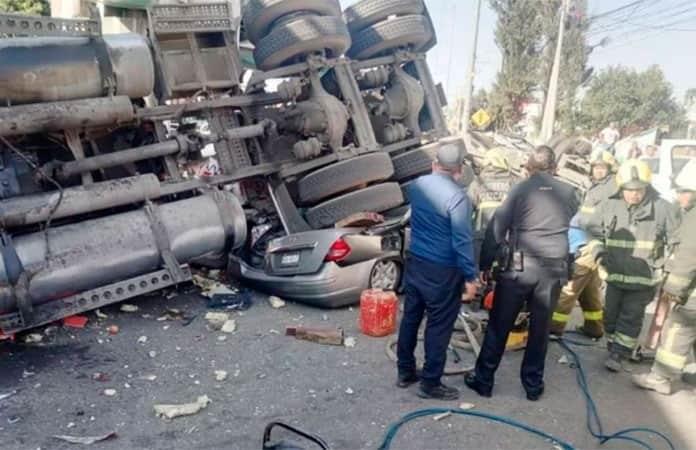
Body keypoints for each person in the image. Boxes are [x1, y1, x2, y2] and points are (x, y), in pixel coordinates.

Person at [465, 146, 579, 401]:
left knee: (499, 325)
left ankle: (483, 381)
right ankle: (533, 386)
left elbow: (496, 228)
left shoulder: (521, 189)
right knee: (540, 329)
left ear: (529, 167)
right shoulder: (570, 192)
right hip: (554, 268)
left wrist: (484, 265)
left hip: (519, 267)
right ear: (555, 167)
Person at [396, 144, 479, 400]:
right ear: (460, 169)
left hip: (416, 261)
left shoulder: (417, 186)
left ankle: (405, 371)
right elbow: (462, 241)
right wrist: (470, 277)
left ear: (435, 163)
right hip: (442, 270)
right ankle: (430, 383)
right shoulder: (458, 198)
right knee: (439, 326)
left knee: (411, 316)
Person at [585, 160, 680, 372]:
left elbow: (676, 241)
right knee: (609, 316)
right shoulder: (609, 205)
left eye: (639, 190)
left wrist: (668, 268)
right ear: (621, 188)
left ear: (647, 186)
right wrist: (599, 251)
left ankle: (619, 353)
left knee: (631, 317)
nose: (634, 194)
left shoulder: (663, 208)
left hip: (643, 279)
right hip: (614, 274)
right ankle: (612, 344)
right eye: (629, 190)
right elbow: (592, 230)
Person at [633, 160, 696, 395]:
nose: (679, 197)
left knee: (678, 330)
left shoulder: (694, 217)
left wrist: (674, 288)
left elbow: (689, 256)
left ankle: (661, 378)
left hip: (692, 293)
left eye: (683, 192)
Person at [551, 151, 619, 337]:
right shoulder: (598, 187)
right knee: (590, 289)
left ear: (610, 169)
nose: (598, 171)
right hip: (588, 241)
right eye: (595, 167)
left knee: (569, 287)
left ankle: (553, 327)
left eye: (602, 168)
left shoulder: (609, 189)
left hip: (589, 243)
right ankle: (594, 327)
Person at [468, 148, 520, 264]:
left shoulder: (478, 182)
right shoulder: (513, 181)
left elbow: (468, 208)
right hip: (504, 235)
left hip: (480, 234)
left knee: (479, 269)